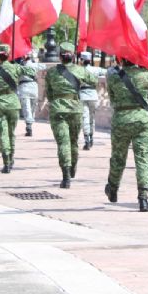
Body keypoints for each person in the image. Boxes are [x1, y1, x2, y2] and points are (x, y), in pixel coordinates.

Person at [104, 56, 148, 212]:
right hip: (143, 120)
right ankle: (143, 198)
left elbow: (112, 100)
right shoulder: (145, 75)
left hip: (121, 119)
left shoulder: (113, 78)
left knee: (118, 157)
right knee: (143, 159)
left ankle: (113, 188)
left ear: (121, 60)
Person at [45, 43, 97, 188]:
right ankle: (73, 166)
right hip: (75, 109)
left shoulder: (51, 72)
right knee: (73, 142)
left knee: (63, 143)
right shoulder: (80, 70)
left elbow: (49, 94)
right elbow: (94, 81)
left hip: (58, 110)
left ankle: (66, 176)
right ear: (73, 56)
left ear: (60, 56)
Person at [0, 44, 34, 172]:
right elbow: (32, 71)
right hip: (13, 104)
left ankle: (6, 161)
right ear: (8, 54)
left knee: (3, 133)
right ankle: (11, 157)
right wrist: (23, 63)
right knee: (11, 133)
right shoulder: (16, 68)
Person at [79, 52, 107, 150]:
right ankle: (91, 137)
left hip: (82, 95)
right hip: (93, 95)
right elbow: (106, 72)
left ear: (81, 60)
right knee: (92, 118)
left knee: (85, 118)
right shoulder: (96, 69)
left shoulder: (78, 70)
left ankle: (87, 138)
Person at [18, 51, 47, 137]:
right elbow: (44, 66)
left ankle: (29, 125)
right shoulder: (34, 65)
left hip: (24, 87)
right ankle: (30, 123)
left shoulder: (19, 66)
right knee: (32, 107)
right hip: (33, 87)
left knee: (27, 108)